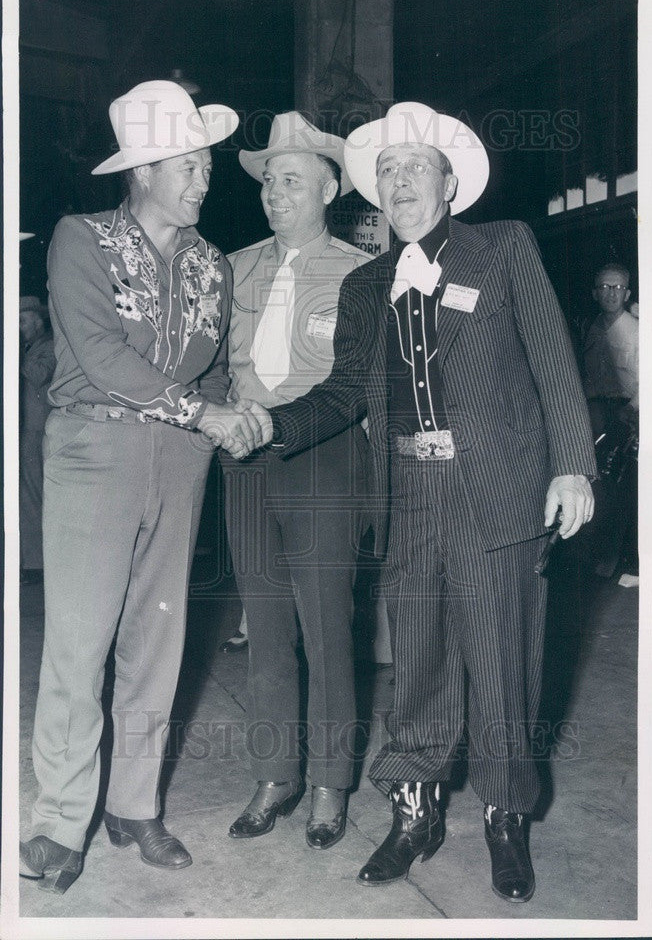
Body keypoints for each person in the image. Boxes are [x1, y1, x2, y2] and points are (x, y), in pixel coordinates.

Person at [241, 102, 596, 900]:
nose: (399, 182)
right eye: (387, 172)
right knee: (419, 662)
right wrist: (273, 422)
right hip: (407, 493)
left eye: (414, 167)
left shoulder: (502, 248)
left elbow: (552, 360)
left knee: (502, 662)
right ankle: (416, 814)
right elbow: (339, 394)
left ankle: (507, 819)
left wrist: (573, 464)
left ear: (449, 181)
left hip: (494, 490)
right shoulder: (369, 283)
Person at [19, 80, 269, 894]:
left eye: (205, 166)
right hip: (96, 450)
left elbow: (222, 368)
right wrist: (207, 411)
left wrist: (239, 416)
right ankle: (60, 819)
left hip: (182, 459)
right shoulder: (80, 239)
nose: (206, 180)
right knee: (79, 642)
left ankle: (133, 806)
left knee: (157, 644)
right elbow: (97, 353)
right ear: (147, 169)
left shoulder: (211, 266)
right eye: (192, 166)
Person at [221, 111, 370, 849]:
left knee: (325, 622)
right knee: (266, 619)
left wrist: (280, 423)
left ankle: (328, 783)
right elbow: (217, 368)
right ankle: (276, 773)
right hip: (243, 461)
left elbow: (357, 383)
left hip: (325, 458)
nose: (276, 194)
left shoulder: (357, 273)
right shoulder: (236, 266)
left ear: (330, 187)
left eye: (292, 180)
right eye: (269, 182)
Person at [582, 263, 639, 582]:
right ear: (595, 293)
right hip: (597, 414)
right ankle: (600, 562)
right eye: (604, 287)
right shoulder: (592, 328)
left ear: (627, 293)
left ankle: (627, 563)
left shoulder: (637, 329)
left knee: (625, 491)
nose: (610, 294)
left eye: (617, 288)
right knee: (597, 488)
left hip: (628, 415)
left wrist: (630, 411)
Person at [19, 294, 56, 584]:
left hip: (38, 432)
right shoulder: (32, 346)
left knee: (35, 496)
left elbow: (38, 375)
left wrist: (16, 352)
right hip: (27, 430)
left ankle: (38, 565)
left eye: (22, 321)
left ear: (37, 320)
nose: (19, 328)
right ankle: (32, 562)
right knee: (28, 496)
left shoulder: (48, 346)